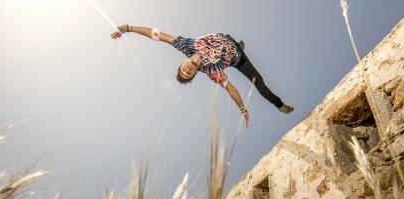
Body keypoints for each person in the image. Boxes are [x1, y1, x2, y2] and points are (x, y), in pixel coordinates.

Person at [111, 25, 294, 128]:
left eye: (183, 69)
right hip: (239, 60)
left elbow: (155, 34)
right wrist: (242, 108)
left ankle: (237, 44)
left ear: (182, 63)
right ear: (193, 75)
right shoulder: (211, 72)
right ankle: (279, 105)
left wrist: (128, 28)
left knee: (230, 43)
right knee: (259, 83)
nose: (187, 70)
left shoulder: (184, 46)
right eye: (188, 74)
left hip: (227, 40)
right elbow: (231, 89)